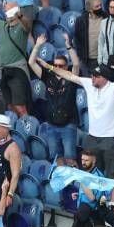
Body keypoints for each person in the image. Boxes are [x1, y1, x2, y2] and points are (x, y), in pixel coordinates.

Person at [39, 60, 114, 180]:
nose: (92, 78)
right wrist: (49, 67)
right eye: (92, 75)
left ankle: (112, 199)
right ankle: (94, 198)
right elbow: (69, 75)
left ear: (104, 78)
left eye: (96, 76)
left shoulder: (113, 87)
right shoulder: (89, 83)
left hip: (110, 138)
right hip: (92, 137)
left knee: (112, 172)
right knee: (90, 171)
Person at [28, 33, 80, 165]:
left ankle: (72, 184)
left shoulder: (71, 78)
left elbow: (76, 64)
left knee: (70, 159)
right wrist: (38, 46)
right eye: (56, 65)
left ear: (66, 67)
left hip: (68, 124)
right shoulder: (48, 77)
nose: (58, 68)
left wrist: (68, 46)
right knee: (57, 159)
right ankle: (60, 184)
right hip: (52, 124)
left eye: (61, 66)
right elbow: (31, 62)